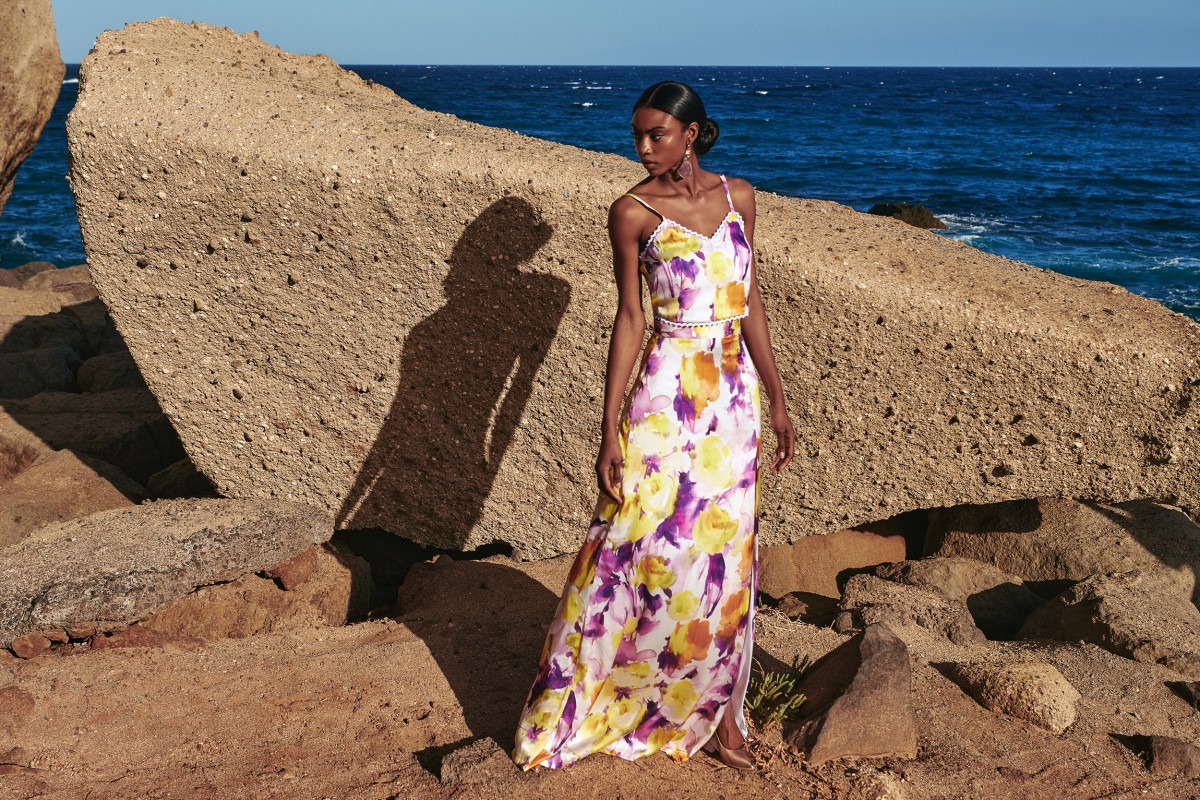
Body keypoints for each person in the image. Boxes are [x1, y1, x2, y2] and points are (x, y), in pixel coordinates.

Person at [512, 80, 795, 771]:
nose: (642, 148)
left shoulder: (741, 198)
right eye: (637, 135)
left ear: (690, 134)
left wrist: (779, 400)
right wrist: (608, 430)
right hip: (666, 394)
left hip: (733, 398)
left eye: (656, 135)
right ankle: (587, 700)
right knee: (632, 538)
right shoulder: (632, 213)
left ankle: (721, 718)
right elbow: (631, 319)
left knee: (725, 560)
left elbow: (750, 301)